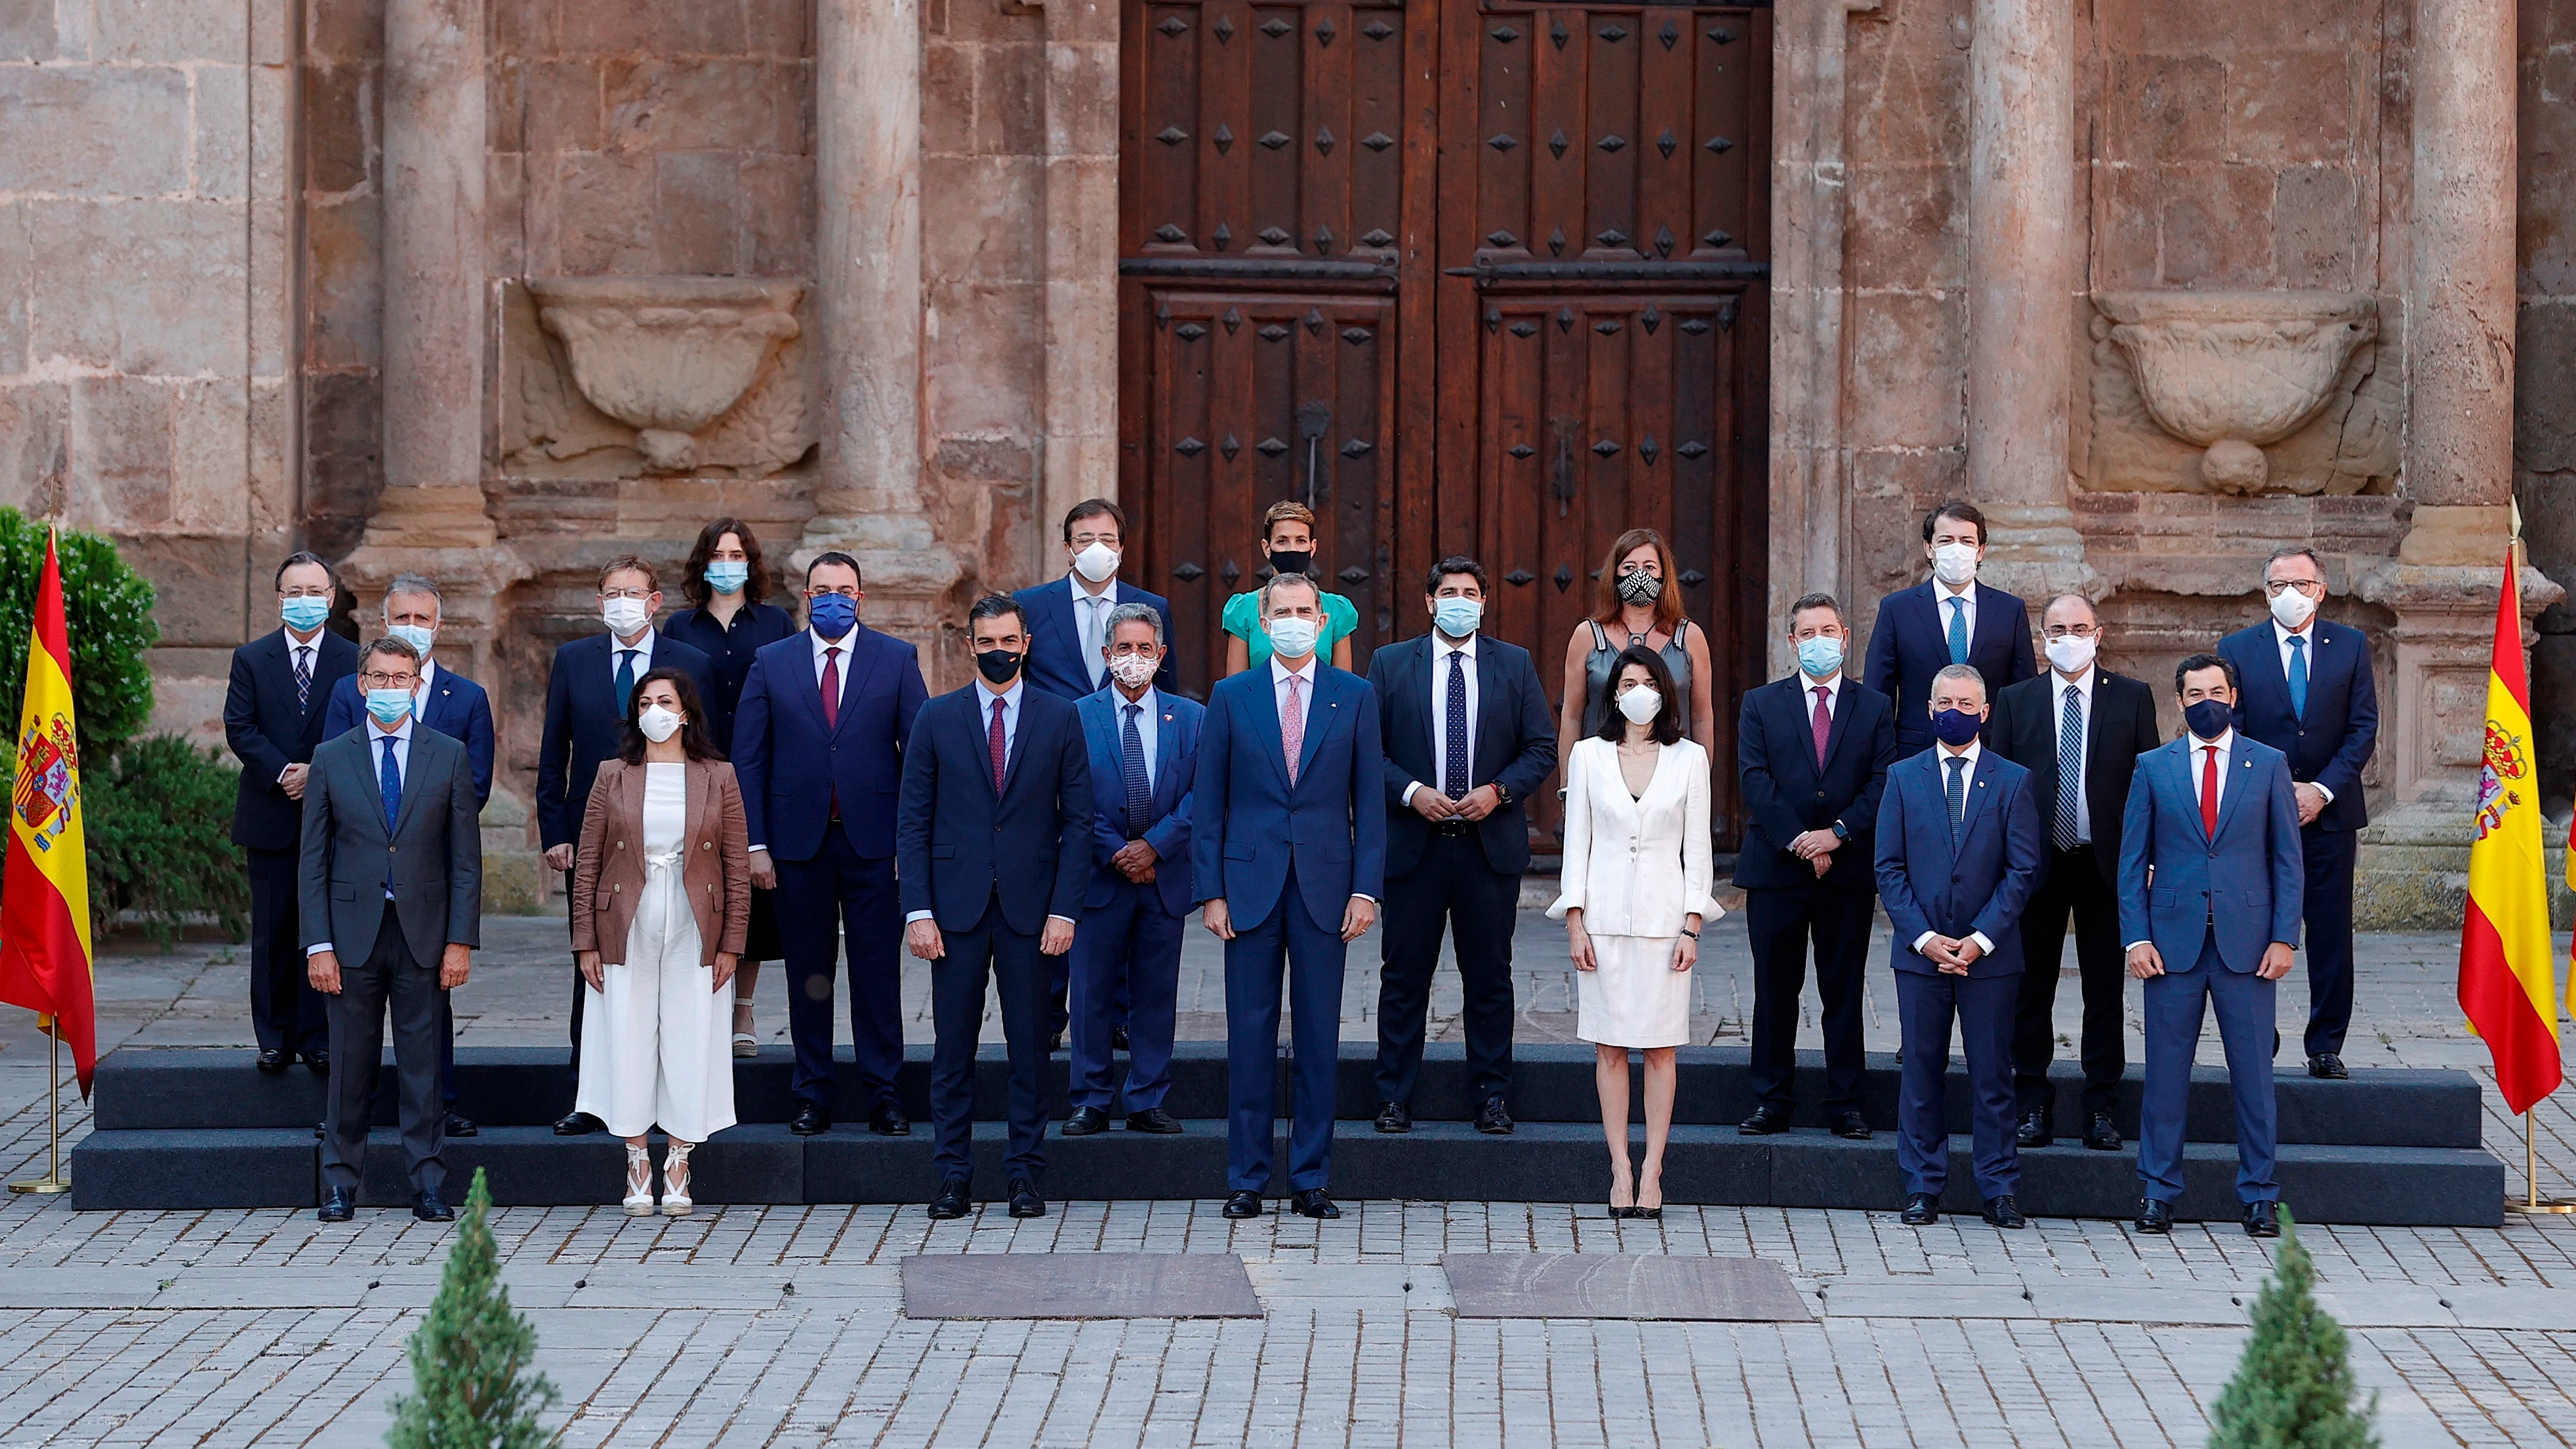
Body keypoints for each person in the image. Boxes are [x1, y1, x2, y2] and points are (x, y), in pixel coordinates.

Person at [1195, 571, 1385, 1220]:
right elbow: (1210, 801)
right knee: (1248, 1037)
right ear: (1264, 622)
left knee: (1317, 1038)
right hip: (1247, 887)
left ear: (1324, 621)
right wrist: (1211, 892)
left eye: (1308, 610)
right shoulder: (1231, 695)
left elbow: (1370, 803)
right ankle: (1246, 1176)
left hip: (1327, 890)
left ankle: (1310, 1177)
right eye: (1284, 611)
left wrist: (1366, 888)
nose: (1296, 620)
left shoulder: (1355, 696)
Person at [898, 596, 1093, 1220]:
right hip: (952, 911)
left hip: (1032, 913)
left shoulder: (1060, 718)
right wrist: (916, 911)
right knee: (952, 1051)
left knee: (1030, 1051)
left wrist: (1065, 911)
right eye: (987, 641)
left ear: (1026, 642)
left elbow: (1080, 823)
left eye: (1008, 639)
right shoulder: (935, 716)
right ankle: (952, 1175)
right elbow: (912, 823)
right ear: (970, 646)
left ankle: (1024, 1175)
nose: (998, 650)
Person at [733, 552, 930, 1137]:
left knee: (876, 975)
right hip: (798, 847)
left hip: (875, 847)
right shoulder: (771, 662)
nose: (834, 599)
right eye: (823, 590)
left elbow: (918, 757)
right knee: (809, 975)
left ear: (861, 597)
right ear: (806, 597)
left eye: (845, 589)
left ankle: (884, 1093)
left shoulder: (895, 658)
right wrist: (755, 844)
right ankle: (812, 1092)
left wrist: (908, 844)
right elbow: (749, 758)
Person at [1367, 556, 1557, 1136]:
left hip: (1486, 847)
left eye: (1469, 592)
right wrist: (1410, 791)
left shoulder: (1514, 663)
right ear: (1428, 602)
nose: (1458, 601)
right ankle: (1394, 1096)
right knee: (1403, 978)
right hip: (1413, 845)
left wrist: (1498, 792)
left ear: (1483, 601)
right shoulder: (1391, 663)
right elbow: (1364, 750)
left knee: (1489, 978)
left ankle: (1491, 1096)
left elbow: (1540, 747)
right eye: (1447, 592)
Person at [2120, 653, 2304, 1238]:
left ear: (2233, 696)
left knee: (2253, 1076)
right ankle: (2157, 1192)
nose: (2206, 702)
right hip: (2170, 945)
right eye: (2194, 693)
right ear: (2179, 701)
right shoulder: (2152, 766)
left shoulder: (2268, 763)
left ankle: (2258, 1195)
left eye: (2216, 691)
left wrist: (2283, 936)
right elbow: (2130, 862)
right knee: (2164, 1075)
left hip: (2247, 947)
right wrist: (2135, 936)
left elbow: (2286, 859)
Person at [300, 637, 480, 1224]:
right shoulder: (331, 756)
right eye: (379, 677)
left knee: (422, 1065)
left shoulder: (448, 754)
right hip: (350, 934)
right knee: (350, 1065)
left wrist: (460, 939)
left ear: (415, 685)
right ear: (361, 685)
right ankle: (338, 1183)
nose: (389, 688)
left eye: (401, 678)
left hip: (423, 932)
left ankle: (427, 1183)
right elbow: (314, 860)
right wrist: (318, 943)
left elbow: (463, 859)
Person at [536, 556, 716, 1135]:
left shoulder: (690, 664)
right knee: (593, 964)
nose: (621, 601)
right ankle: (591, 1096)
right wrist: (554, 830)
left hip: (671, 833)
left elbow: (710, 751)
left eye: (632, 592)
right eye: (611, 592)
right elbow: (553, 748)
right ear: (598, 602)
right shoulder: (572, 659)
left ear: (655, 600)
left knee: (670, 971)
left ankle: (667, 1099)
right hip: (594, 837)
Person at [321, 572, 495, 1137]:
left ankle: (438, 1104)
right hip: (362, 874)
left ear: (439, 627)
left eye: (423, 619)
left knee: (428, 1010)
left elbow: (476, 784)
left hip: (431, 867)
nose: (412, 627)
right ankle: (355, 1110)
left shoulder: (466, 698)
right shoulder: (351, 693)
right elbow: (335, 773)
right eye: (403, 618)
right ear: (384, 621)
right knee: (357, 1013)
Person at [570, 669, 750, 1217]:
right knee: (626, 1032)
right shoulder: (612, 774)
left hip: (697, 921)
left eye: (664, 700)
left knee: (691, 1032)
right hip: (625, 917)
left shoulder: (718, 775)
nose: (655, 709)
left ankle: (677, 1158)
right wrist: (584, 941)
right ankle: (635, 1157)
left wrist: (732, 944)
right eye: (645, 701)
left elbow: (736, 866)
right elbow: (589, 860)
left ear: (686, 712)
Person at [1984, 594, 2160, 1151]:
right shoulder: (2015, 700)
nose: (2068, 636)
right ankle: (2031, 1102)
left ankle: (2100, 1105)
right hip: (2035, 865)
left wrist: (2149, 857)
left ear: (2098, 633)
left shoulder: (2131, 698)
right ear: (2041, 637)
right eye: (2056, 628)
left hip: (2105, 863)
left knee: (2104, 988)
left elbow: (2146, 784)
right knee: (2029, 987)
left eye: (2078, 627)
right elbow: (2001, 786)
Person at [1873, 664, 2044, 1229]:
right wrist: (1923, 938)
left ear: (1984, 712)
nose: (1955, 711)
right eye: (1945, 701)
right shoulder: (1901, 777)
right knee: (1920, 1072)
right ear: (1928, 708)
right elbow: (1889, 867)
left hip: (1989, 958)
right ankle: (1922, 1186)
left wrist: (1977, 940)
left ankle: (1998, 1188)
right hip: (1919, 956)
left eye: (1966, 703)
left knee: (1993, 1075)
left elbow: (2022, 869)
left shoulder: (2013, 780)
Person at [1549, 646, 1715, 1219]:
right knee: (1610, 1047)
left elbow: (1698, 847)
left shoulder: (1689, 758)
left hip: (1665, 923)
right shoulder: (1588, 757)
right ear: (1613, 693)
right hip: (1604, 921)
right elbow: (1578, 843)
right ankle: (1619, 1166)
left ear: (1664, 691)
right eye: (1627, 681)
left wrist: (1692, 924)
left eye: (1648, 680)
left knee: (1662, 1048)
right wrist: (1575, 920)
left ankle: (1654, 1170)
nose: (1638, 690)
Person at [1012, 497, 1180, 1047]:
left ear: (1122, 546)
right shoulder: (1032, 605)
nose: (1095, 548)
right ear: (1067, 547)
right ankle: (1054, 1013)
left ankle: (1121, 1017)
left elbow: (1165, 684)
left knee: (1122, 892)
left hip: (1127, 766)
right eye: (1084, 539)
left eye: (1106, 537)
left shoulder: (1148, 605)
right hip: (1053, 766)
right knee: (1058, 890)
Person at [1733, 593, 1896, 1138]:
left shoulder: (1873, 706)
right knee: (1774, 990)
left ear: (1845, 637)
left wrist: (1838, 834)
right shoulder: (1760, 702)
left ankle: (1846, 1102)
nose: (1819, 640)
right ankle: (1770, 1101)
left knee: (1844, 989)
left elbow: (1881, 780)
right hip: (1777, 869)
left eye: (1829, 630)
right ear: (1792, 641)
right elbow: (1754, 778)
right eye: (1808, 632)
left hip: (1846, 871)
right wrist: (1803, 840)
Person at [2215, 545, 2377, 1081]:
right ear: (2265, 592)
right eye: (2279, 584)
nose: (2290, 593)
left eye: (2301, 584)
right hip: (2260, 814)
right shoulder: (2237, 648)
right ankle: (2259, 1030)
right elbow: (2230, 726)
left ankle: (2325, 1042)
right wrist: (2277, 790)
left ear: (2321, 589)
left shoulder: (2350, 646)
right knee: (2255, 923)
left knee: (2330, 931)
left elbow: (2362, 728)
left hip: (2329, 815)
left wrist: (2322, 791)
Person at [661, 518, 798, 1058]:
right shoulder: (678, 626)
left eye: (736, 552)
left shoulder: (775, 623)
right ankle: (697, 1003)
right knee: (695, 884)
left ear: (751, 562)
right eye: (717, 553)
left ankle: (742, 1006)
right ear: (703, 561)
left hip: (756, 769)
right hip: (694, 767)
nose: (727, 562)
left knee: (750, 890)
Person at [1065, 603, 1199, 1137]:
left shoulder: (1192, 717)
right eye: (1124, 648)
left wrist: (1155, 846)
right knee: (1091, 991)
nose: (1134, 658)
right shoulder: (1074, 716)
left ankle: (1146, 1096)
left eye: (1145, 649)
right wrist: (1117, 850)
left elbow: (1204, 791)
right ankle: (1091, 1097)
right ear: (1106, 654)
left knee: (1154, 991)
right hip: (1100, 877)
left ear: (1161, 655)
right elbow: (1068, 795)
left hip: (1163, 876)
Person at [225, 551, 356, 1076]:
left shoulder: (352, 659)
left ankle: (318, 1034)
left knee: (323, 928)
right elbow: (241, 726)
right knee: (275, 929)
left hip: (333, 815)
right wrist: (284, 772)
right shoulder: (252, 658)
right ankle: (275, 1036)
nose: (304, 601)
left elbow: (355, 726)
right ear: (280, 598)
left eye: (314, 592)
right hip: (271, 812)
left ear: (330, 598)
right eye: (293, 592)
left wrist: (316, 771)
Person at [1864, 501, 2037, 758]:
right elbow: (1879, 694)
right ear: (1929, 549)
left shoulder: (2008, 611)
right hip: (1915, 757)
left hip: (1992, 756)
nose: (1957, 549)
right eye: (1946, 540)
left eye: (1966, 541)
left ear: (1981, 551)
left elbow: (2025, 695)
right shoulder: (1898, 609)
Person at [1557, 529, 1717, 768]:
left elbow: (1702, 717)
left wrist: (1701, 783)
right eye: (1629, 568)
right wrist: (1568, 787)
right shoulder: (1587, 636)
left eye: (1650, 567)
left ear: (1664, 575)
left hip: (1671, 775)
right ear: (1615, 574)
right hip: (1601, 774)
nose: (1640, 575)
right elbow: (1571, 716)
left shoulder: (1690, 637)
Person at [1220, 500, 1359, 674]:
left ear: (1312, 547)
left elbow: (1342, 687)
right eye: (1282, 541)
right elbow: (1236, 689)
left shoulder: (1337, 610)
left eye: (1301, 541)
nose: (1292, 549)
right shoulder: (1244, 609)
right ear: (1267, 548)